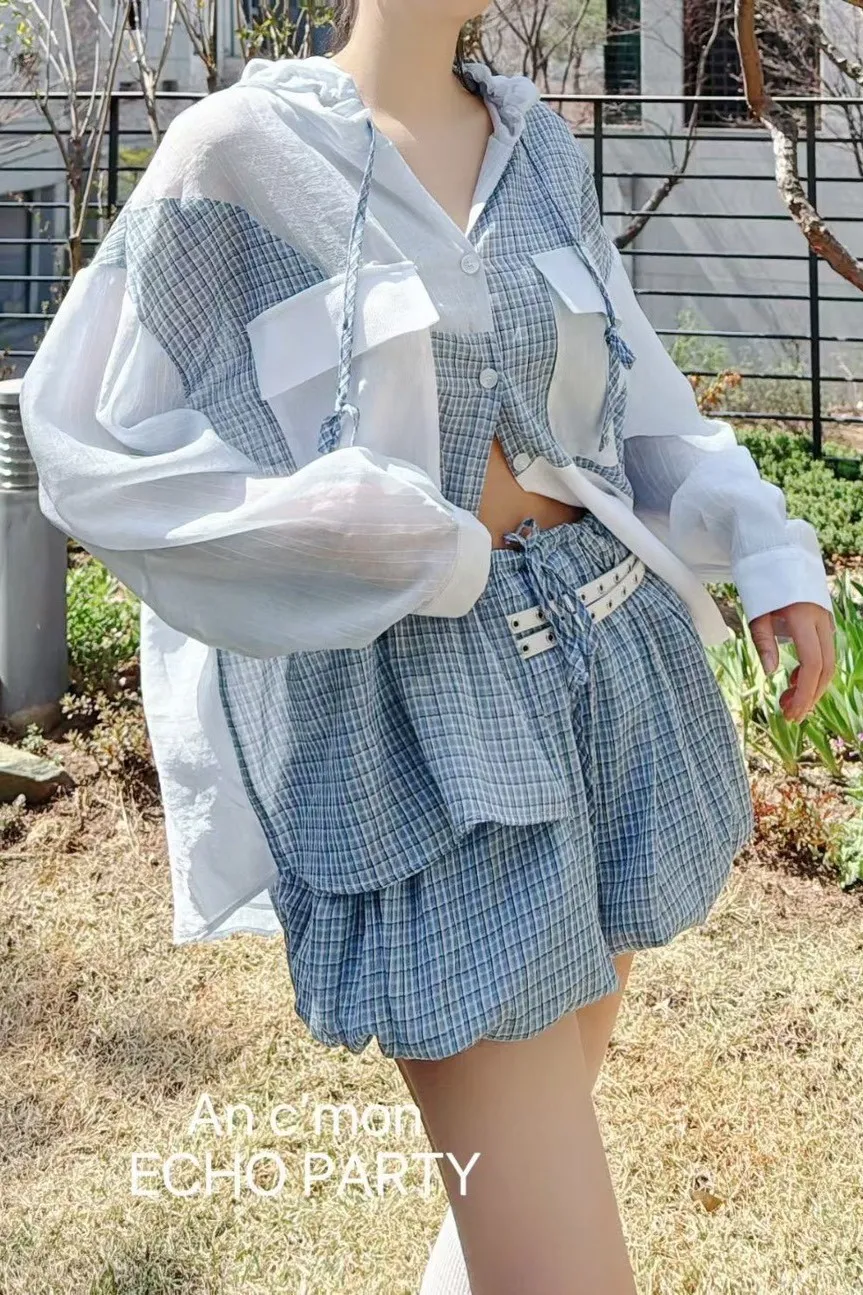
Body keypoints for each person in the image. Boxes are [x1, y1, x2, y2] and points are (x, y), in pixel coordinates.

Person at [20, 1, 836, 1291]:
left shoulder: (539, 147)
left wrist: (770, 551)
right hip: (418, 724)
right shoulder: (238, 154)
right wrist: (387, 541)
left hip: (607, 659)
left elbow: (634, 406)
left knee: (521, 1183)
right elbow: (95, 451)